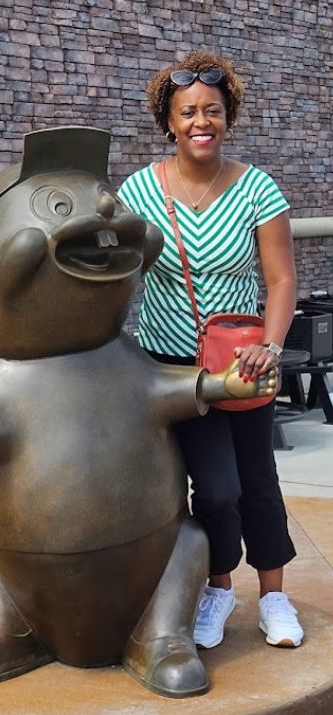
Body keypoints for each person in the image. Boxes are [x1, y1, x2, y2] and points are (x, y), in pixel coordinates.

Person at [118, 50, 303, 650]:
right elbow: (112, 263)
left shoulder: (256, 189)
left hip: (244, 365)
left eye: (214, 111)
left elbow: (280, 279)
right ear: (169, 121)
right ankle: (219, 588)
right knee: (214, 490)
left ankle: (273, 596)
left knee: (257, 482)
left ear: (229, 117)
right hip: (173, 373)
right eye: (189, 112)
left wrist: (271, 348)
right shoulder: (139, 190)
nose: (203, 121)